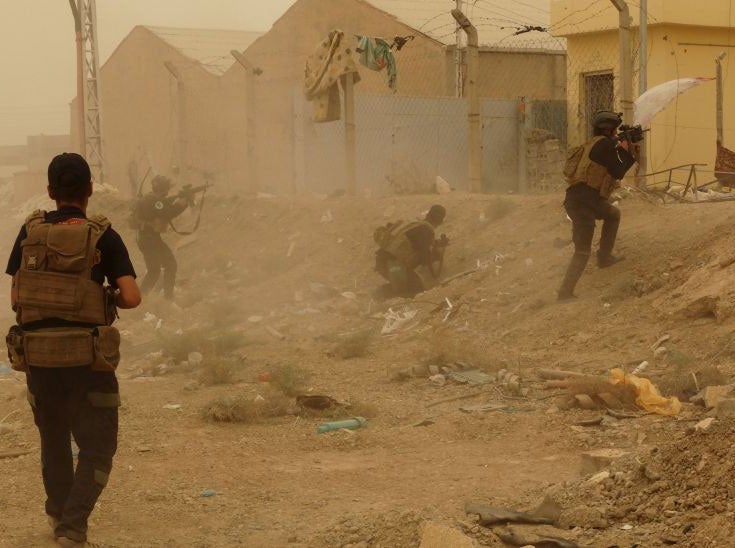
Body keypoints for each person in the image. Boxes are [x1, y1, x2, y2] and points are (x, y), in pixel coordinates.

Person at [5, 153, 141, 547]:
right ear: (90, 191)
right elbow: (131, 296)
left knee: (53, 438)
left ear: (50, 192)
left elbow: (16, 294)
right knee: (98, 446)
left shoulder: (30, 232)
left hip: (40, 361)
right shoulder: (102, 235)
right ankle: (73, 525)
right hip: (88, 361)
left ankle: (57, 514)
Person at [558, 110, 637, 301]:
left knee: (612, 214)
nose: (616, 134)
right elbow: (618, 171)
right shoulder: (605, 146)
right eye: (615, 131)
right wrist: (626, 150)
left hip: (583, 198)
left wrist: (624, 148)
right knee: (582, 251)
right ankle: (565, 293)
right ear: (609, 130)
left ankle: (604, 256)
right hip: (584, 202)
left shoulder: (594, 144)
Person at [134, 174, 189, 300]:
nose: (167, 192)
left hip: (146, 238)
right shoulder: (155, 201)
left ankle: (141, 298)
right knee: (169, 265)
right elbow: (168, 213)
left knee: (154, 270)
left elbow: (163, 205)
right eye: (166, 189)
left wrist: (178, 197)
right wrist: (183, 203)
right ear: (163, 189)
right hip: (150, 239)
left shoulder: (150, 199)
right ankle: (167, 299)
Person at [374, 204, 448, 298]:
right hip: (392, 263)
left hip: (386, 261)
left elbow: (415, 243)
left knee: (413, 286)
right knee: (415, 290)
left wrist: (436, 245)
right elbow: (424, 259)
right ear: (440, 221)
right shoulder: (426, 230)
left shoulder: (417, 225)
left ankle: (382, 295)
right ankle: (380, 296)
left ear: (428, 215)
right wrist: (437, 254)